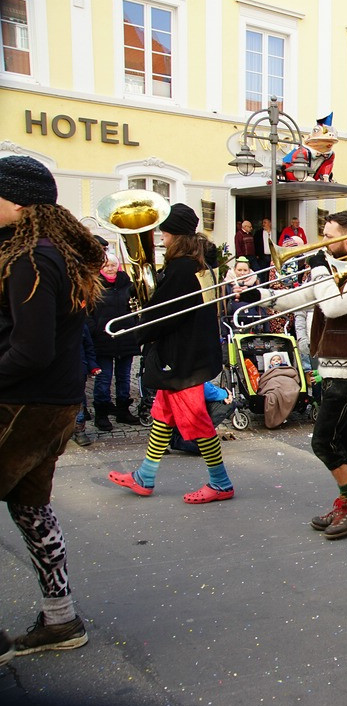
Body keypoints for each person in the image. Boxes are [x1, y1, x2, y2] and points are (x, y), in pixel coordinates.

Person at [1, 155, 102, 655]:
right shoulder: (54, 252)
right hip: (53, 401)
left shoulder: (31, 258)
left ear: (17, 203)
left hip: (25, 402)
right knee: (31, 510)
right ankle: (60, 619)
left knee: (32, 510)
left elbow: (30, 349)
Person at [252, 210, 347, 539]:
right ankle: (346, 500)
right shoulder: (332, 269)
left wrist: (321, 268)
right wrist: (261, 296)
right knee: (338, 439)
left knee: (323, 441)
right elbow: (304, 298)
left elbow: (335, 306)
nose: (321, 242)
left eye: (328, 236)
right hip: (334, 365)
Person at [108, 203, 235, 504]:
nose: (161, 236)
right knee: (163, 416)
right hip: (190, 353)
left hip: (182, 359)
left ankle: (220, 483)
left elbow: (164, 315)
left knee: (197, 423)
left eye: (164, 232)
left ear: (175, 235)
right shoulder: (200, 264)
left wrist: (140, 329)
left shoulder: (180, 269)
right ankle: (145, 476)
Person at [88, 252, 142, 428]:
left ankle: (123, 411)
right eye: (106, 266)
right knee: (104, 379)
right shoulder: (94, 286)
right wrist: (95, 329)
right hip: (103, 338)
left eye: (112, 265)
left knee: (124, 377)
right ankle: (101, 413)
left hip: (125, 337)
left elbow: (136, 305)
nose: (110, 269)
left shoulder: (128, 284)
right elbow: (88, 313)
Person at [167, 381, 236, 455]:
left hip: (177, 414)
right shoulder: (191, 373)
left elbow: (207, 386)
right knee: (228, 404)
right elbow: (208, 391)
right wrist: (226, 393)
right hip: (181, 416)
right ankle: (178, 439)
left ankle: (196, 437)